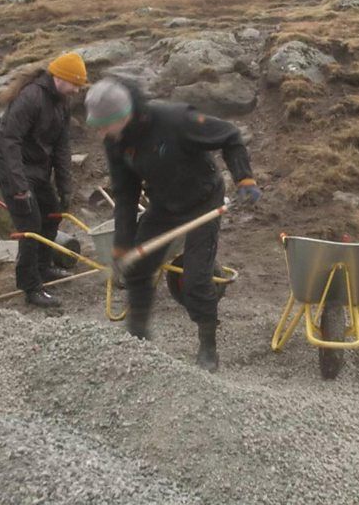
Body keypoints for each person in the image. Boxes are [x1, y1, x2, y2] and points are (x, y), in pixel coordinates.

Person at [85, 78, 261, 372]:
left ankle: (208, 347)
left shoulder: (175, 120)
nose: (100, 132)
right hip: (165, 206)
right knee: (137, 269)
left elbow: (230, 135)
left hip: (204, 201)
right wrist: (122, 245)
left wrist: (244, 178)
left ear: (123, 116)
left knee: (195, 279)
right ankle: (138, 336)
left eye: (103, 125)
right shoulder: (116, 142)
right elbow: (126, 195)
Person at [0, 52, 88, 308]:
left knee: (53, 214)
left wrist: (65, 186)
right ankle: (30, 286)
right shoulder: (31, 97)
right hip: (14, 170)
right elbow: (9, 141)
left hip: (37, 170)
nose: (78, 90)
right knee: (30, 226)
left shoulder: (61, 101)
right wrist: (19, 187)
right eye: (76, 83)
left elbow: (62, 146)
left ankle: (44, 268)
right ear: (62, 78)